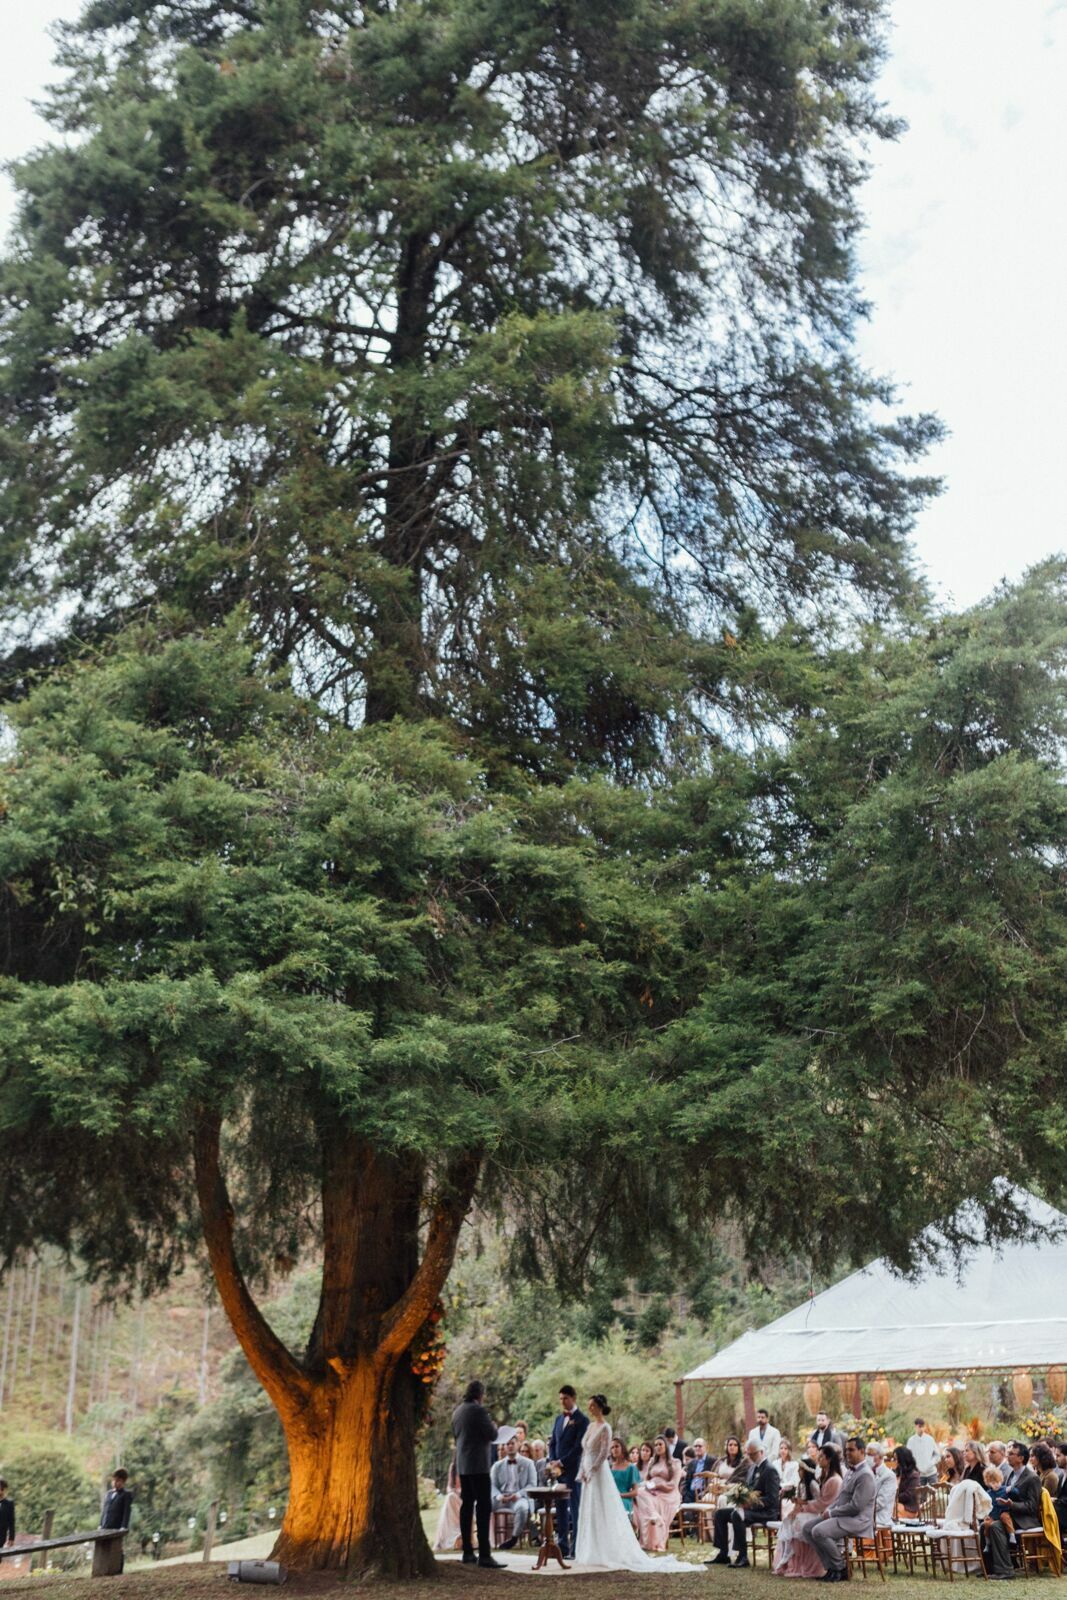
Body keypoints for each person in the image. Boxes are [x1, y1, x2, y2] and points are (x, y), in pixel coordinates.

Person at [573, 1394, 689, 1572]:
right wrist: (582, 1470)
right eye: (589, 1406)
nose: (590, 1409)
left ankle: (608, 1550)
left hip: (598, 1471)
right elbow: (585, 1450)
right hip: (587, 1471)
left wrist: (592, 1470)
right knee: (589, 1508)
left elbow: (603, 1453)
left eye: (593, 1406)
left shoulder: (605, 1427)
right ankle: (590, 1550)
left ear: (600, 1407)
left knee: (601, 1507)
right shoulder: (590, 1426)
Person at [798, 1435, 875, 1583]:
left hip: (857, 1520)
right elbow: (840, 1498)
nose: (847, 1453)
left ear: (862, 1451)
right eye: (846, 1450)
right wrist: (829, 1510)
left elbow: (856, 1506)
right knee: (807, 1529)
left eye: (851, 1450)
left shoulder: (865, 1475)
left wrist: (832, 1513)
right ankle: (831, 1568)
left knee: (818, 1531)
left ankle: (840, 1568)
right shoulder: (850, 1471)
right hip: (843, 1516)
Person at [452, 1379, 506, 1569]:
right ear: (480, 1395)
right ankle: (484, 1554)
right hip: (478, 1466)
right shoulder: (478, 1411)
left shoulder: (457, 1412)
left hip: (463, 1466)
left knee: (467, 1506)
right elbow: (492, 1435)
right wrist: (493, 1425)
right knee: (483, 1507)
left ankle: (467, 1551)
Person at [706, 1441, 780, 1569]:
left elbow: (771, 1500)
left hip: (766, 1512)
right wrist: (739, 1496)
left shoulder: (770, 1470)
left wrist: (750, 1503)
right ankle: (723, 1553)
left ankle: (743, 1556)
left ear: (761, 1452)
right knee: (720, 1514)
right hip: (749, 1508)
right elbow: (747, 1489)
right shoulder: (752, 1468)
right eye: (749, 1454)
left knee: (737, 1515)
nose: (750, 1457)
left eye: (753, 1454)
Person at [773, 1447, 843, 1579]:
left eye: (821, 1457)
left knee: (804, 1525)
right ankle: (800, 1562)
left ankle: (832, 1566)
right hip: (823, 1513)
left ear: (828, 1459)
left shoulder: (834, 1480)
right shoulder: (826, 1477)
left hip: (830, 1515)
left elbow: (823, 1503)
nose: (818, 1459)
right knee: (796, 1522)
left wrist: (804, 1506)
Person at [983, 1441, 1041, 1578]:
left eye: (1011, 1454)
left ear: (1021, 1458)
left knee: (996, 1527)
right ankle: (989, 1569)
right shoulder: (1011, 1474)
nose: (1007, 1456)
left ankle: (1005, 1570)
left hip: (1023, 1519)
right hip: (1007, 1515)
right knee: (984, 1525)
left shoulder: (1032, 1478)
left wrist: (1012, 1505)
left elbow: (1032, 1506)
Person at [548, 1385, 588, 1560]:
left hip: (574, 1470)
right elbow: (553, 1443)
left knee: (575, 1508)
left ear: (573, 1398)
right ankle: (562, 1547)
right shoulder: (558, 1419)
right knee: (561, 1509)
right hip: (558, 1472)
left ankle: (576, 1548)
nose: (563, 1402)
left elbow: (578, 1447)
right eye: (561, 1399)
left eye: (565, 1398)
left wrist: (563, 1461)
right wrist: (552, 1461)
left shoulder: (582, 1420)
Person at [634, 1435, 684, 1552]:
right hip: (651, 1492)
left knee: (642, 1496)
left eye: (660, 1444)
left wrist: (657, 1485)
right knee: (638, 1493)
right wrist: (649, 1487)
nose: (657, 1447)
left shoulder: (675, 1462)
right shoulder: (652, 1461)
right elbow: (647, 1479)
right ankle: (651, 1522)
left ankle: (657, 1521)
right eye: (656, 1445)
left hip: (668, 1494)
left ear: (666, 1446)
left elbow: (673, 1485)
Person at [491, 1433, 538, 1550]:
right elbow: (491, 1485)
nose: (510, 1446)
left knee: (522, 1507)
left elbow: (532, 1484)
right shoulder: (497, 1466)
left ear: (518, 1444)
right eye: (507, 1444)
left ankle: (514, 1538)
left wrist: (518, 1494)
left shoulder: (528, 1463)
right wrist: (499, 1496)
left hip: (519, 1497)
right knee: (479, 1505)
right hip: (502, 1498)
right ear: (504, 1446)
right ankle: (482, 1538)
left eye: (512, 1443)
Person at [100, 1469, 132, 1573]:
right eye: (114, 1480)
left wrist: (124, 1526)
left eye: (118, 1481)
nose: (115, 1483)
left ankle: (118, 1569)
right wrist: (101, 1523)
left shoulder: (126, 1494)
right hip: (106, 1525)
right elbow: (104, 1510)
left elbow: (127, 1511)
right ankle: (105, 1568)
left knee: (117, 1548)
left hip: (117, 1526)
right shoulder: (109, 1494)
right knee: (105, 1547)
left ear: (123, 1482)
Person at [432, 1450, 462, 1552]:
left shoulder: (468, 1467)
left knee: (450, 1498)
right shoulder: (452, 1467)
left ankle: (448, 1538)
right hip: (454, 1497)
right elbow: (449, 1487)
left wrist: (459, 1492)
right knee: (450, 1496)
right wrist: (453, 1491)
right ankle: (448, 1538)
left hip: (463, 1499)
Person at [609, 1436, 641, 1521]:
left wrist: (620, 1495)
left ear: (622, 1448)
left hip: (624, 1500)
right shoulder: (609, 1467)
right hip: (609, 1498)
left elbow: (635, 1492)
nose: (614, 1449)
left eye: (617, 1446)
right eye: (612, 1447)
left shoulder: (631, 1468)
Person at [866, 1444, 896, 1530]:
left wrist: (862, 1510)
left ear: (880, 1456)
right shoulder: (867, 1473)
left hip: (879, 1517)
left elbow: (881, 1502)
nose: (868, 1458)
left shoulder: (888, 1475)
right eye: (867, 1455)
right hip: (866, 1514)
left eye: (871, 1455)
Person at [907, 1418, 941, 1485]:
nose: (922, 1429)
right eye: (919, 1427)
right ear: (915, 1427)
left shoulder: (930, 1439)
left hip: (932, 1473)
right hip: (918, 1474)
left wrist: (930, 1463)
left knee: (935, 1491)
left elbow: (937, 1455)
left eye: (923, 1426)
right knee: (919, 1492)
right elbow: (908, 1457)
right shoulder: (911, 1441)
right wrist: (915, 1467)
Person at [892, 1446, 922, 1518]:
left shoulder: (914, 1475)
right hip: (897, 1504)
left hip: (909, 1508)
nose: (895, 1462)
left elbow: (909, 1494)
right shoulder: (897, 1473)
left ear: (903, 1459)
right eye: (894, 1459)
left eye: (897, 1459)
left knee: (891, 1508)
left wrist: (893, 1498)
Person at [0, 1481, 14, 1549]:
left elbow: (11, 1522)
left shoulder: (9, 1503)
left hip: (1, 1537)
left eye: (2, 1489)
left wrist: (11, 1538)